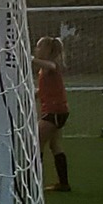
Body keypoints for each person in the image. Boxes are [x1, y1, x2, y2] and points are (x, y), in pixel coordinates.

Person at [34, 35, 71, 193]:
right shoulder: (44, 69)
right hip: (58, 111)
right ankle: (63, 184)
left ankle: (32, 185)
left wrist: (30, 59)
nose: (36, 49)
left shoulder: (51, 65)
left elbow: (52, 66)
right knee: (55, 146)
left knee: (35, 144)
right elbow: (43, 91)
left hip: (54, 111)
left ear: (47, 49)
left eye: (39, 46)